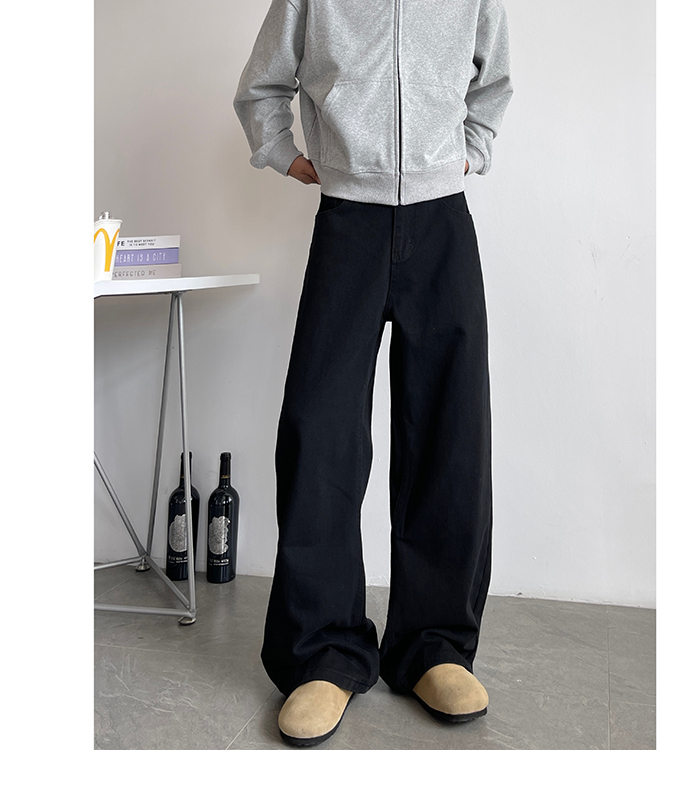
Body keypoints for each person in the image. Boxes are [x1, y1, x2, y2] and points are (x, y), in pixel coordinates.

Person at [233, 0, 513, 747]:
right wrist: (283, 151)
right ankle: (323, 654)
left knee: (451, 435)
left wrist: (470, 151)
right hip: (348, 224)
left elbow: (493, 82)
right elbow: (261, 86)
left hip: (442, 220)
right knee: (319, 435)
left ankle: (435, 647)